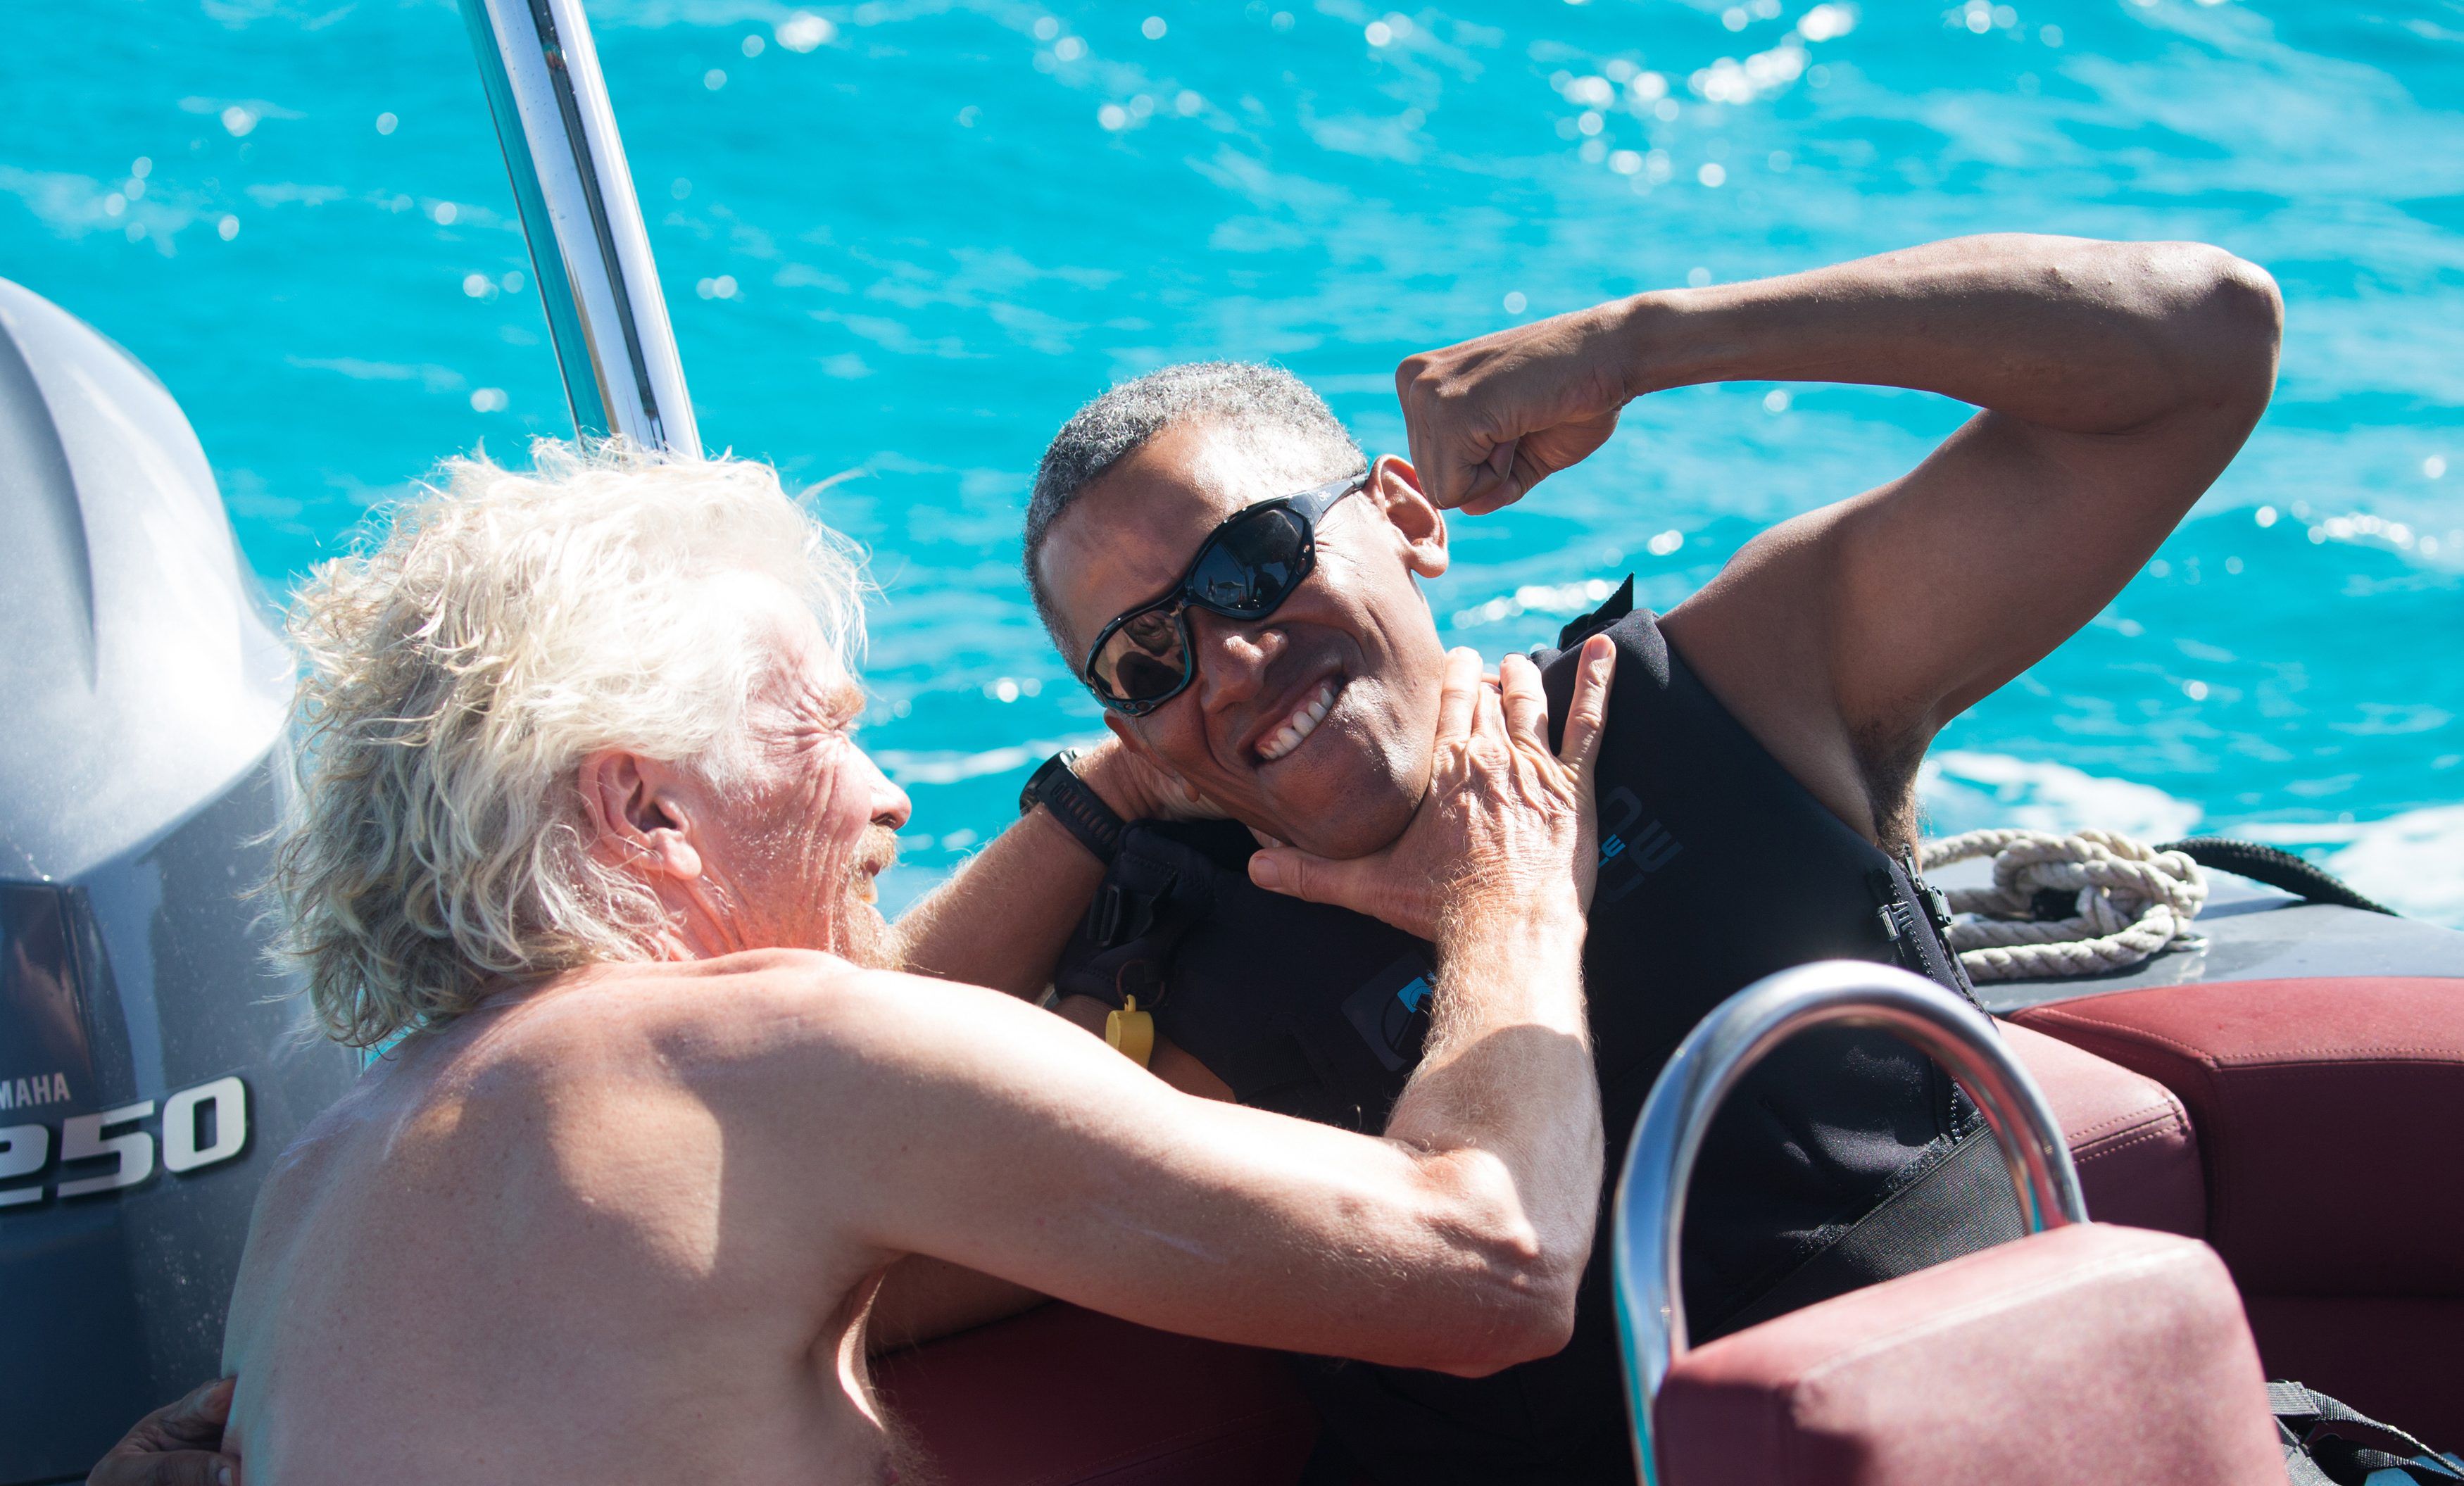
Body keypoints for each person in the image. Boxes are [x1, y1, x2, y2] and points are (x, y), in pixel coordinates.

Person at [1020, 234, 2282, 1482]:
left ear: (1407, 517)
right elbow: (859, 1171)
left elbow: (2205, 343)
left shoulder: (1734, 699)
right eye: (1146, 659)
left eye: (1252, 562)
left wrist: (1651, 344)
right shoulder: (1183, 1023)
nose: (1232, 661)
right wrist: (1085, 806)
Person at [205, 443, 1620, 1483]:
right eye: (819, 734)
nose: (888, 798)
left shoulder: (317, 1196)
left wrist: (1112, 794)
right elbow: (1490, 1264)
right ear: (645, 814)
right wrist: (1513, 888)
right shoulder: (768, 1064)